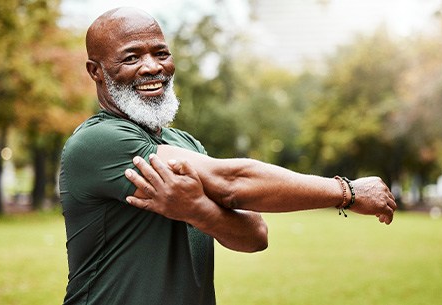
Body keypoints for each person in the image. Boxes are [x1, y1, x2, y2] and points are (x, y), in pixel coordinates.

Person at [59, 6, 396, 305]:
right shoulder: (98, 141)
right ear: (96, 71)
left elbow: (255, 236)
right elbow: (231, 181)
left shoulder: (187, 144)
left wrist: (199, 211)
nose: (152, 67)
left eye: (160, 53)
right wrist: (346, 193)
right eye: (131, 57)